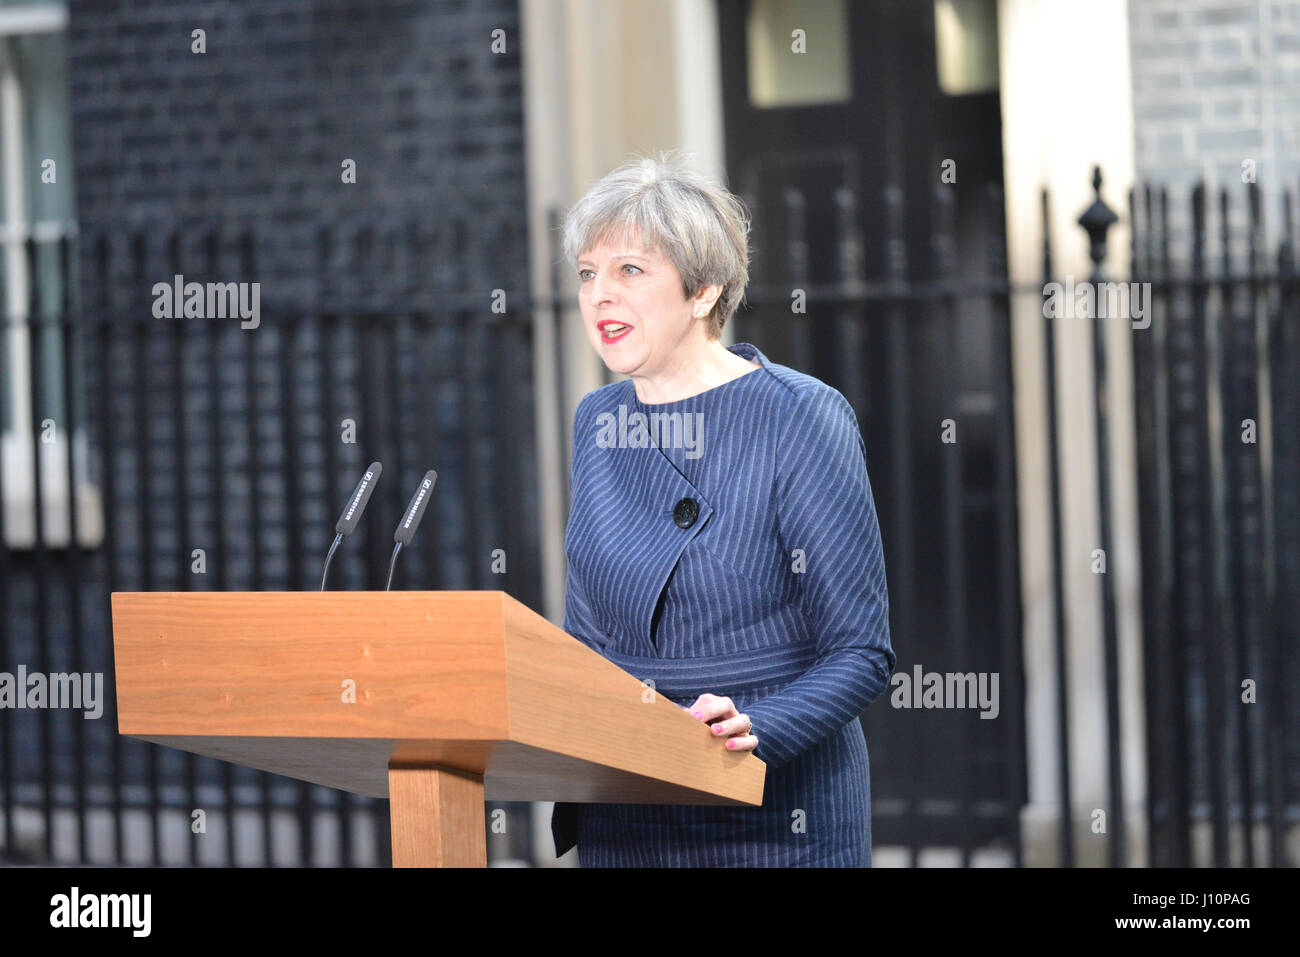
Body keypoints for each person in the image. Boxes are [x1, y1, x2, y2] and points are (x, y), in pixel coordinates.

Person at [551, 149, 896, 866]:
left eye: (630, 271)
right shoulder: (596, 419)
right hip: (629, 810)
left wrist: (753, 726)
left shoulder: (801, 415)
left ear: (704, 291)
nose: (599, 295)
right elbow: (582, 639)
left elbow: (860, 652)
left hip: (775, 814)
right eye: (588, 274)